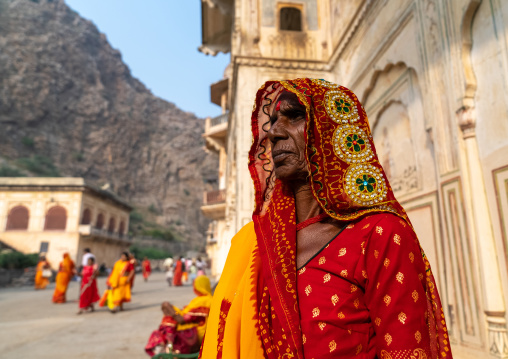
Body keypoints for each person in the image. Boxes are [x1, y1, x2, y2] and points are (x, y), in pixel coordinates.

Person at [199, 79, 452, 358]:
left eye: (294, 115)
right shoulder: (255, 242)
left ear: (334, 129)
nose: (273, 132)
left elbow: (407, 349)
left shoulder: (378, 234)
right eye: (272, 121)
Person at [145, 275, 213, 356]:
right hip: (194, 326)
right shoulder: (203, 299)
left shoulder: (204, 300)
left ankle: (168, 348)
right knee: (167, 315)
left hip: (197, 331)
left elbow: (184, 319)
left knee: (167, 321)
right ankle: (167, 347)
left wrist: (173, 312)